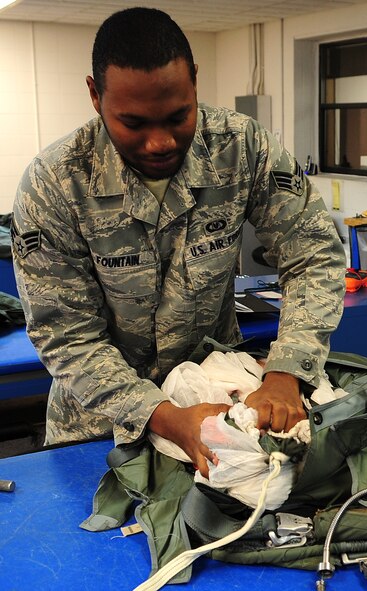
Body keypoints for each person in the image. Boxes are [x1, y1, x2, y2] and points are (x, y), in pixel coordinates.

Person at [11, 7, 346, 477]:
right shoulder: (56, 182)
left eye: (177, 116)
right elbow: (66, 336)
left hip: (222, 404)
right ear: (94, 95)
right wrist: (165, 417)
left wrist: (287, 370)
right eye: (134, 123)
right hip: (101, 429)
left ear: (194, 80)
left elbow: (314, 253)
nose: (159, 142)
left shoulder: (241, 146)